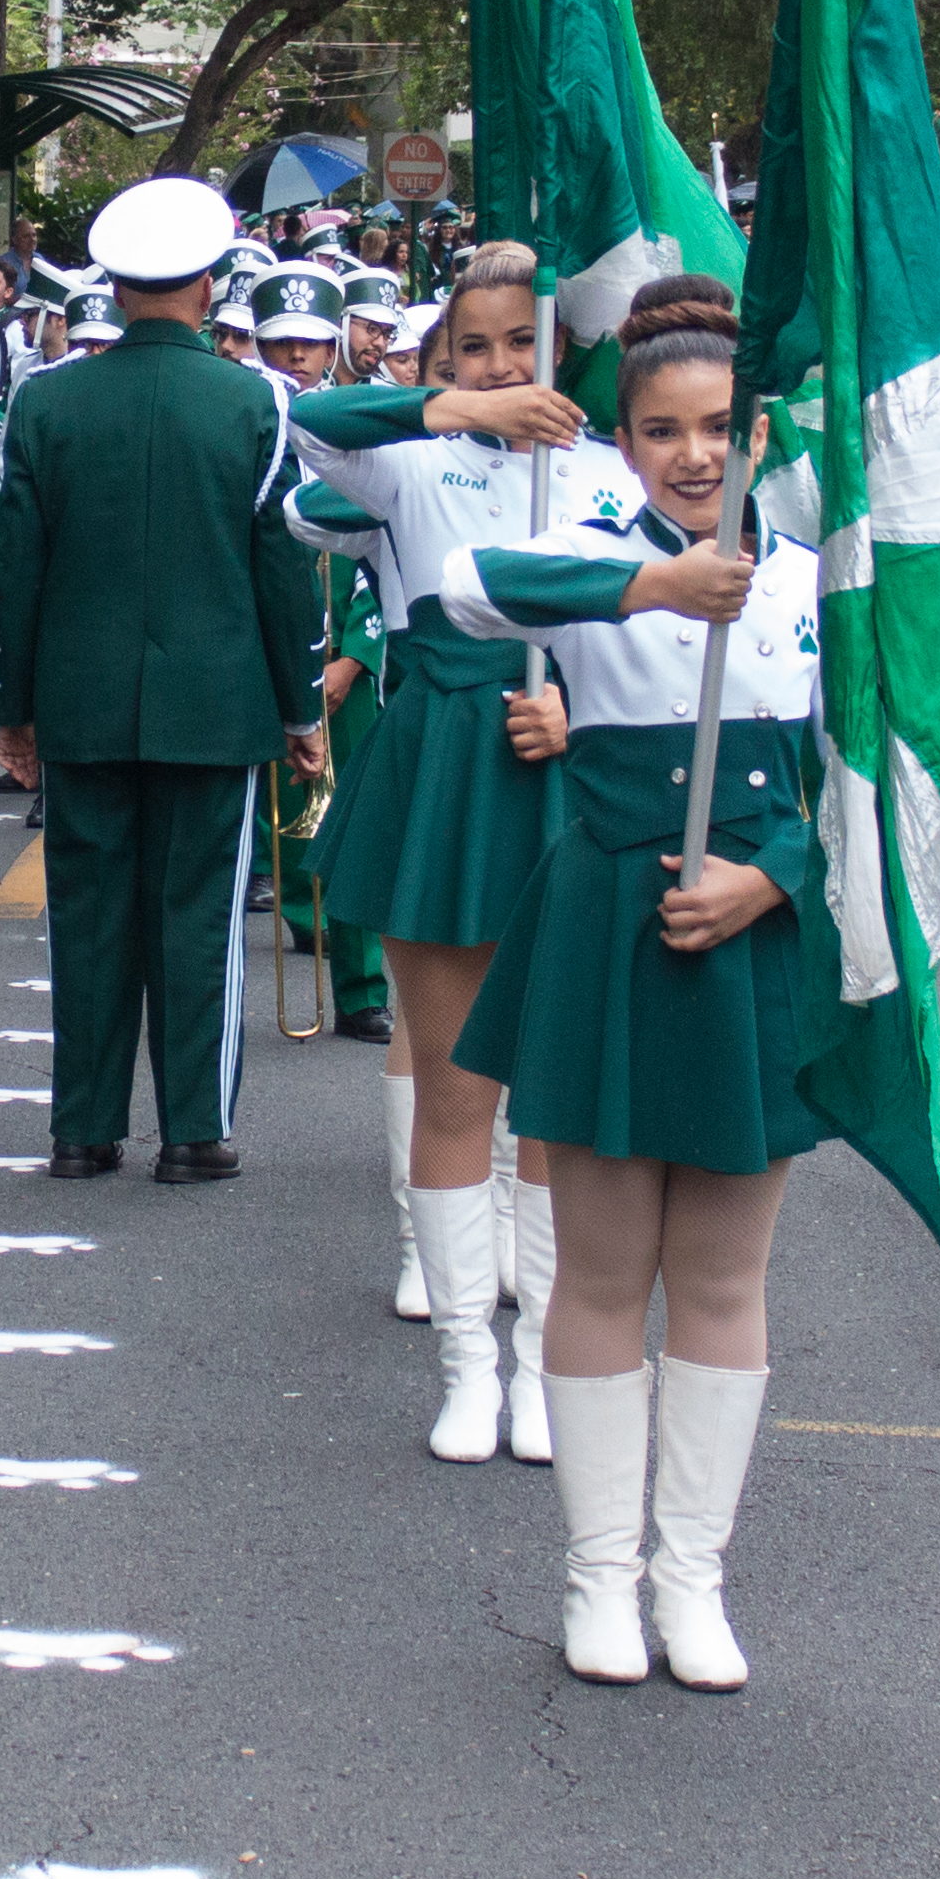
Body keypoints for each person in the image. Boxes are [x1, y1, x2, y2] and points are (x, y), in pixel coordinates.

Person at [440, 275, 827, 1690]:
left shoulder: (803, 580)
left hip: (750, 927)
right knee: (602, 1272)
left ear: (760, 431)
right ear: (622, 444)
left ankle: (693, 1582)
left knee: (724, 1273)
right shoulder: (584, 552)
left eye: (720, 427)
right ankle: (598, 1578)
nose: (694, 454)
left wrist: (770, 877)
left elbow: (866, 778)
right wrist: (653, 580)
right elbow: (473, 593)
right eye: (661, 430)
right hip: (610, 918)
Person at [280, 247, 606, 1459]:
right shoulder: (408, 459)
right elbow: (310, 420)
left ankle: (540, 1362)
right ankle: (469, 1364)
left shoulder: (606, 474)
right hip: (443, 760)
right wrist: (459, 407)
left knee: (557, 1088)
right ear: (439, 358)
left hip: (571, 765)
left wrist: (581, 707)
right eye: (475, 346)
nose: (504, 364)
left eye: (524, 344)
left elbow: (661, 637)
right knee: (456, 1076)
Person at [0, 175, 326, 1184]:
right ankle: (193, 1130)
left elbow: (15, 568)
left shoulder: (45, 400)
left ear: (115, 287)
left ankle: (82, 1129)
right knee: (199, 916)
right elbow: (281, 564)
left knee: (88, 917)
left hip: (83, 703)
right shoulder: (256, 399)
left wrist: (13, 704)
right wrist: (300, 703)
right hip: (219, 705)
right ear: (212, 282)